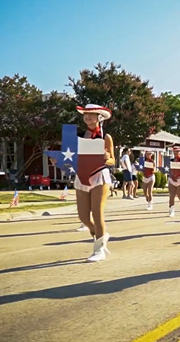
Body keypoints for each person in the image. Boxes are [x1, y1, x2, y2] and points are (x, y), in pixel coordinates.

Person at [71, 104, 115, 262]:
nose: (87, 117)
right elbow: (72, 156)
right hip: (82, 174)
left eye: (91, 114)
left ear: (99, 117)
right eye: (85, 115)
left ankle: (99, 249)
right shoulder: (79, 135)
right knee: (83, 216)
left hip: (99, 175)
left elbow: (112, 160)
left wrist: (106, 158)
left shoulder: (105, 137)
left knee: (97, 212)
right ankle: (98, 233)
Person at [168, 147, 180, 217]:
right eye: (174, 152)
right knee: (171, 196)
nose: (176, 153)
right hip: (172, 179)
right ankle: (171, 210)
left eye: (177, 152)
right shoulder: (171, 160)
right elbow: (169, 169)